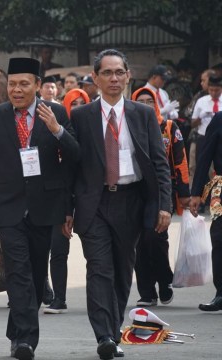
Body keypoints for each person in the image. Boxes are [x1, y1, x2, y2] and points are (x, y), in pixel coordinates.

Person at [0, 57, 80, 360]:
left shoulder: (55, 112)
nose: (16, 90)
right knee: (18, 271)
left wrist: (57, 129)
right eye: (12, 84)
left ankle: (16, 332)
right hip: (7, 207)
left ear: (37, 85)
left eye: (23, 84)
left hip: (45, 206)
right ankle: (25, 341)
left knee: (33, 274)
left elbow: (75, 157)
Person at [69, 49, 171, 360]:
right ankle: (105, 336)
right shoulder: (82, 116)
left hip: (132, 201)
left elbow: (159, 162)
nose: (114, 78)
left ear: (127, 76)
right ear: (96, 78)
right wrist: (66, 210)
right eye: (107, 73)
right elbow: (71, 166)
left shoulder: (142, 114)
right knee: (99, 269)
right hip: (95, 202)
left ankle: (112, 333)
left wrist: (164, 205)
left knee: (123, 271)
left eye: (119, 72)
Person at [131, 88, 189, 307]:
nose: (145, 105)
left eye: (149, 101)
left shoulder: (168, 127)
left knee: (155, 238)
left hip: (162, 190)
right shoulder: (127, 126)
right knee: (138, 242)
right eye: (140, 101)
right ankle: (147, 292)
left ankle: (165, 279)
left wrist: (184, 193)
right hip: (134, 190)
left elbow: (180, 160)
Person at [43, 88, 91, 315]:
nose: (79, 106)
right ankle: (51, 294)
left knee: (62, 250)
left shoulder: (91, 128)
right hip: (55, 195)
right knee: (48, 248)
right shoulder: (53, 126)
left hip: (81, 196)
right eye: (75, 103)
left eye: (84, 102)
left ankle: (60, 297)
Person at [190, 111, 222, 312]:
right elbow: (204, 156)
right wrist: (196, 193)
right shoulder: (219, 119)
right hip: (221, 188)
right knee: (219, 238)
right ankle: (221, 293)